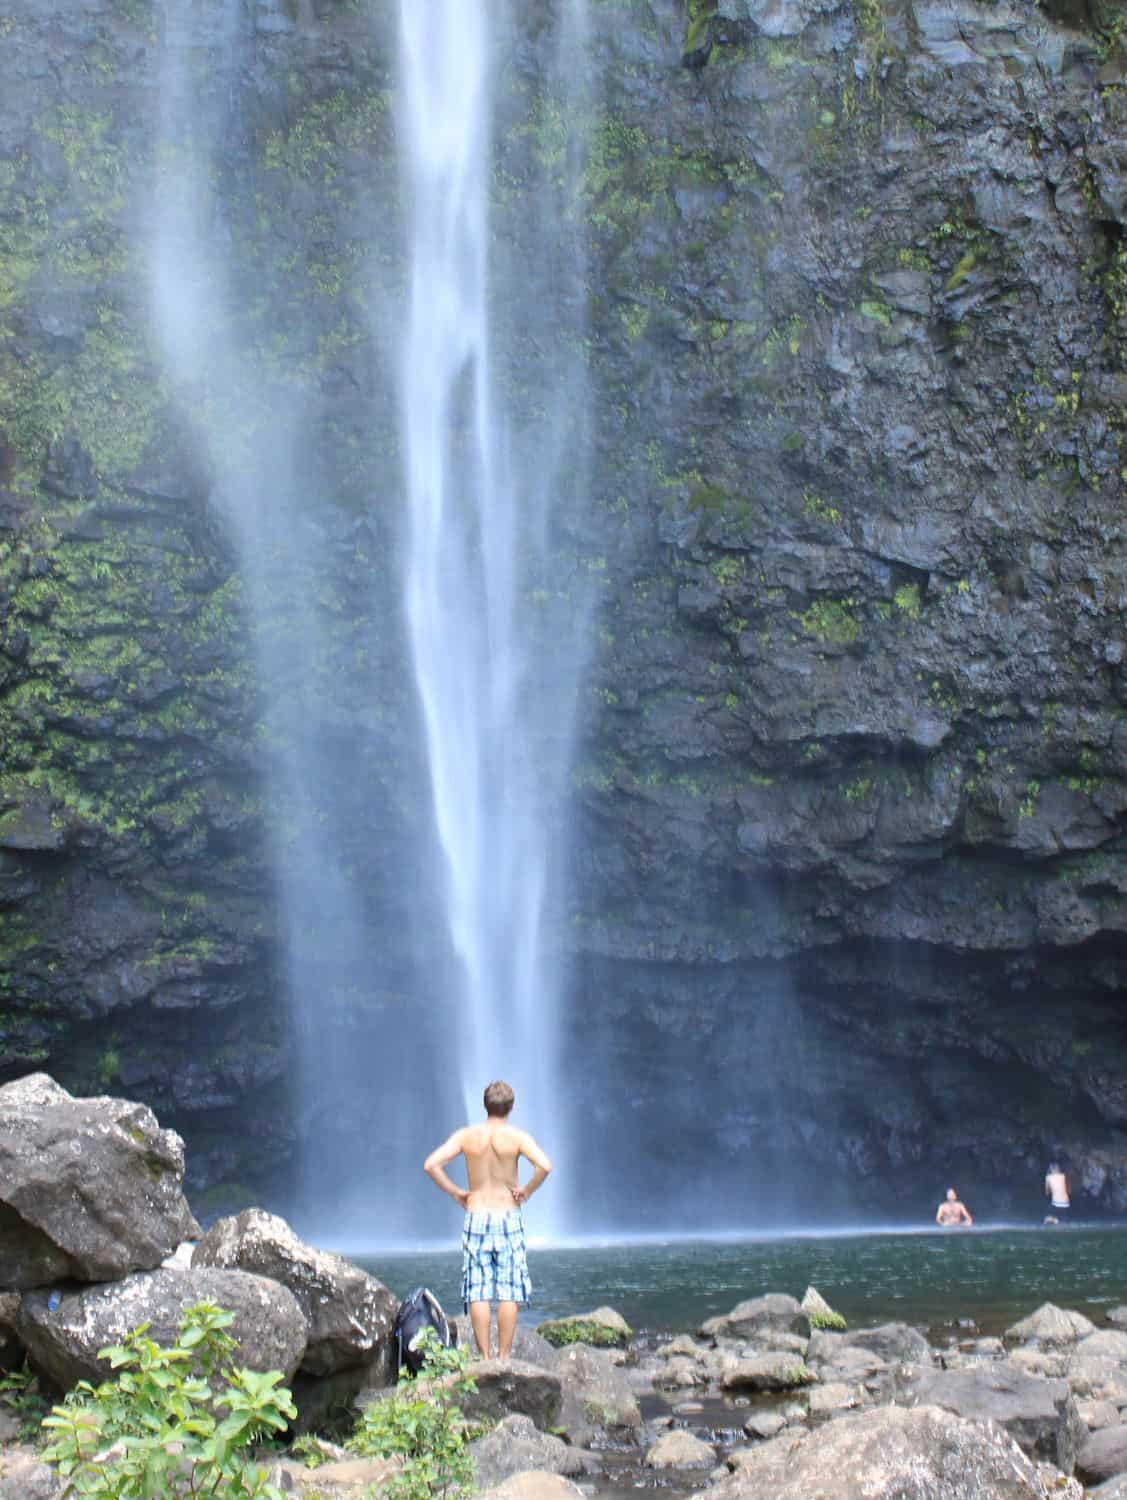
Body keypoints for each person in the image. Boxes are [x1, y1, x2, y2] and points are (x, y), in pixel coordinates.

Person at [423, 1079, 552, 1359]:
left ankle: (484, 1359)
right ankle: (504, 1358)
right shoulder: (517, 1137)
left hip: (477, 1214)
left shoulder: (467, 1136)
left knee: (478, 1289)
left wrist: (457, 1192)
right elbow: (545, 1165)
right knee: (509, 1289)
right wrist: (526, 1191)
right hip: (508, 1215)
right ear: (511, 1107)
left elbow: (431, 1164)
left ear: (485, 1105)